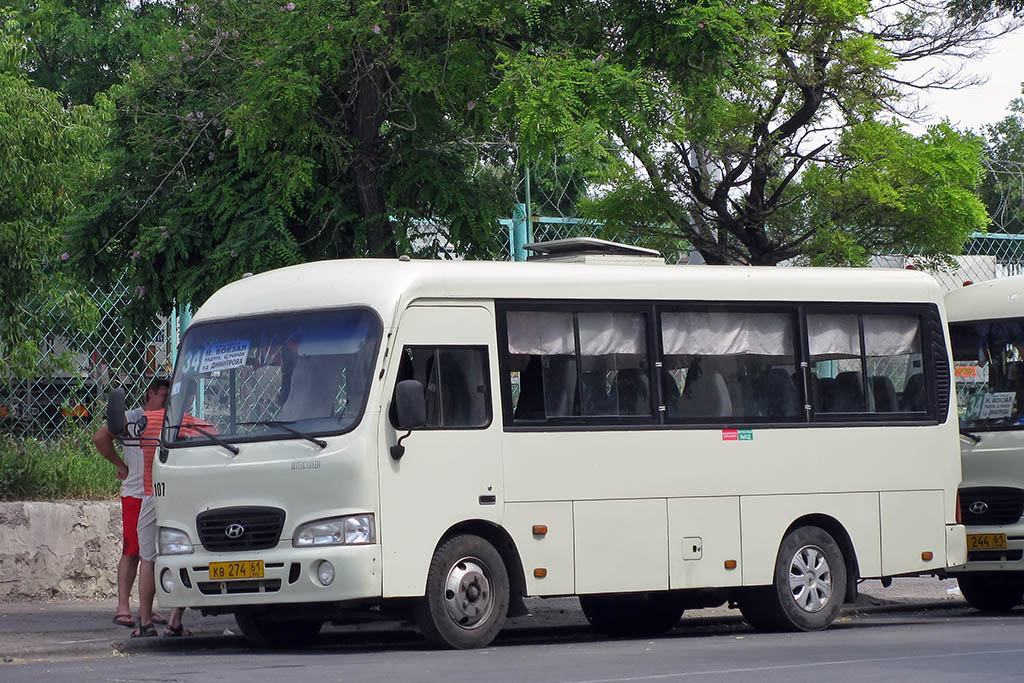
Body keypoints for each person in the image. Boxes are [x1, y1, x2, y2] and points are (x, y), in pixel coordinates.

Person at [132, 380, 211, 638]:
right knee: (182, 555)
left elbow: (106, 433)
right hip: (182, 497)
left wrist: (121, 467)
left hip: (153, 494)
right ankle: (175, 621)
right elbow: (220, 436)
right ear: (188, 400)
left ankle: (145, 622)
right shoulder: (194, 424)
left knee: (148, 560)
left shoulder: (146, 421)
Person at [93, 378, 170, 629]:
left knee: (155, 554)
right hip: (136, 492)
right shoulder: (132, 418)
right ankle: (123, 605)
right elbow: (100, 438)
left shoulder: (168, 418)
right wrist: (120, 465)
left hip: (159, 492)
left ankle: (146, 609)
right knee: (132, 551)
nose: (165, 403)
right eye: (162, 397)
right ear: (150, 393)